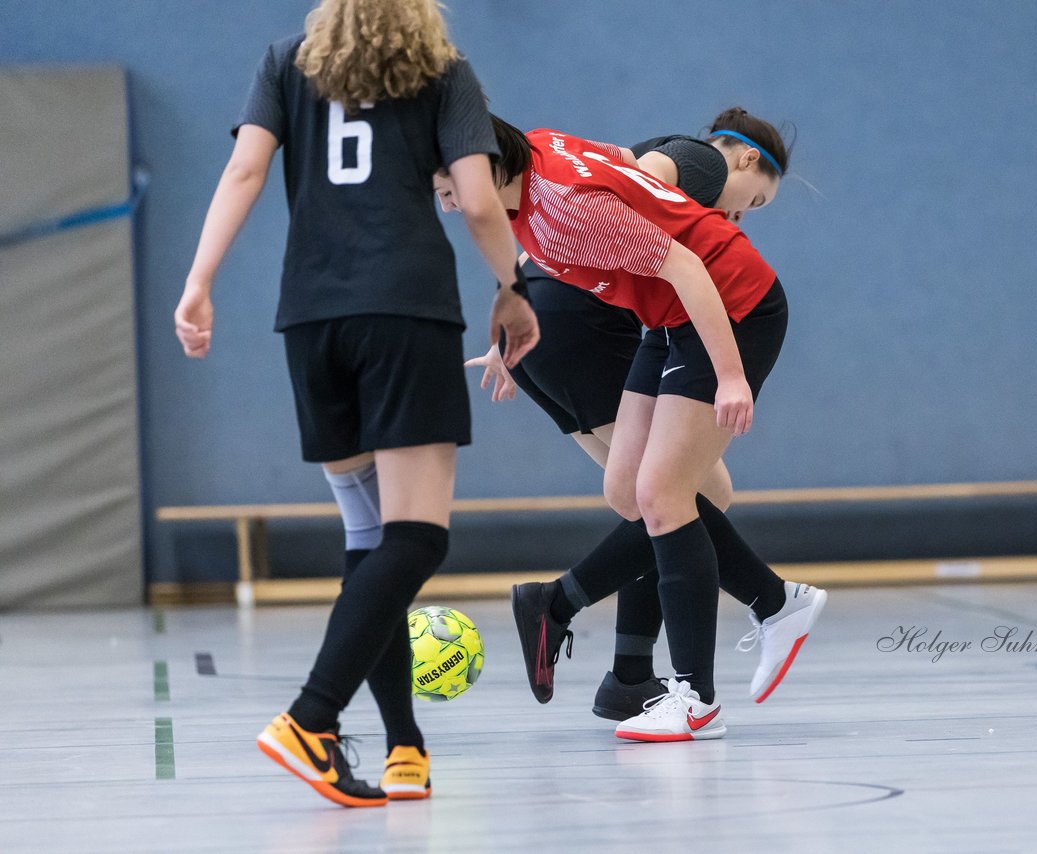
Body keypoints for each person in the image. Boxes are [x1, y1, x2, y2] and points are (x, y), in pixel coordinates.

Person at [174, 0, 538, 807]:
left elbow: (244, 171)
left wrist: (199, 282)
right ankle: (313, 716)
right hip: (404, 309)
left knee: (370, 535)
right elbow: (480, 201)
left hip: (311, 317)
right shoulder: (445, 68)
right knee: (416, 537)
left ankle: (402, 746)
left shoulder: (284, 58)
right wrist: (514, 289)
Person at [435, 116, 824, 742]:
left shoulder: (577, 203)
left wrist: (730, 376)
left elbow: (688, 266)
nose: (444, 201)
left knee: (666, 497)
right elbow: (612, 175)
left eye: (446, 186)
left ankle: (695, 697)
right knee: (629, 493)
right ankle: (778, 602)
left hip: (728, 307)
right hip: (667, 322)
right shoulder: (533, 169)